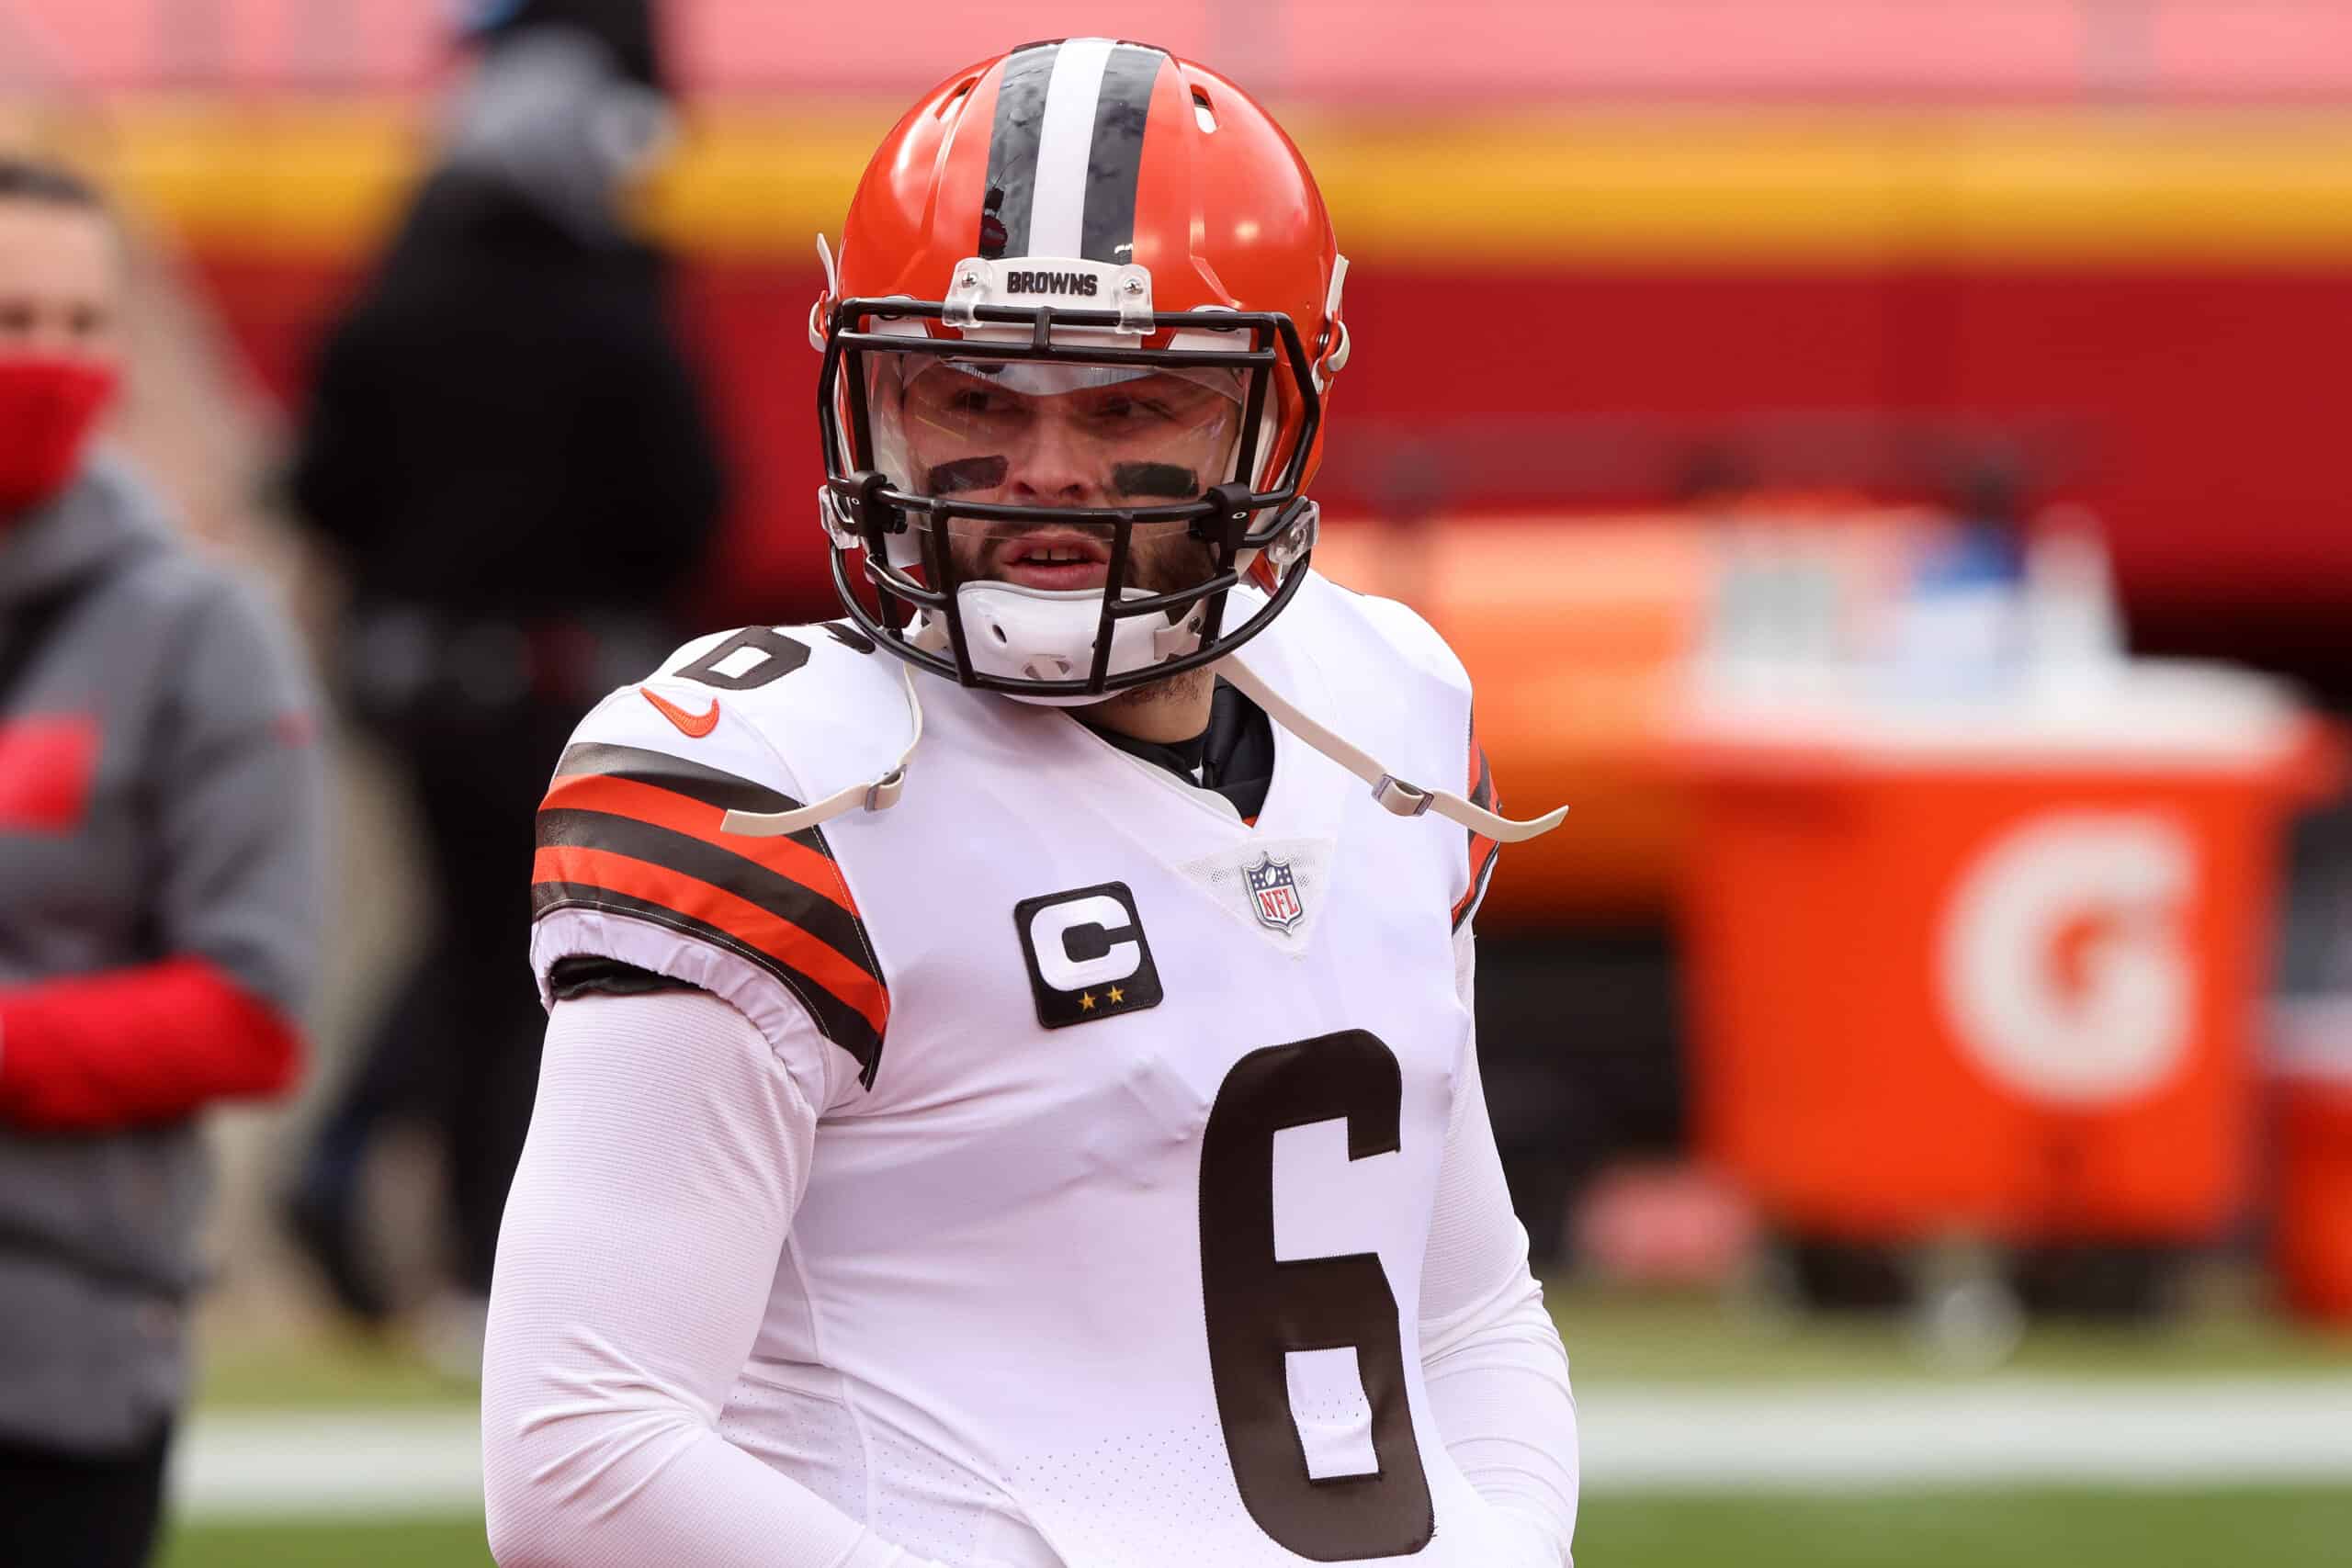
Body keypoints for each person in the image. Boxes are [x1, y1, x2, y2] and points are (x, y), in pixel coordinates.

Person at [483, 39, 1577, 1568]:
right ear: (869, 398)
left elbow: (1463, 1312)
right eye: (966, 393)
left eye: (1134, 407)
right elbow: (582, 1452)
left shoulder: (1387, 705)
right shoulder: (773, 785)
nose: (1041, 470)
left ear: (1275, 416)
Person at [283, 0, 724, 1334]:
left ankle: (387, 1200)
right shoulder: (616, 306)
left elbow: (323, 486)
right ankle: (485, 1257)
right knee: (550, 973)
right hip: (565, 690)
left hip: (415, 689)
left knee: (477, 956)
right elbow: (688, 504)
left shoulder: (391, 292)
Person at [0, 155, 324, 1566]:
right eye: (13, 320)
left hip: (60, 1351)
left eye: (82, 325)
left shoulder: (202, 631)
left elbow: (253, 1012)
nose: (51, 362)